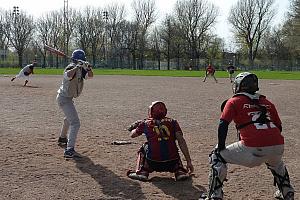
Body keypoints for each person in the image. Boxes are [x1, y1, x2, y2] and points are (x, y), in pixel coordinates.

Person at [204, 72, 294, 200]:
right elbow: (278, 127)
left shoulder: (234, 101)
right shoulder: (266, 101)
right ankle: (287, 192)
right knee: (277, 163)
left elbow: (223, 125)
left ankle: (215, 195)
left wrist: (221, 146)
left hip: (253, 148)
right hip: (278, 145)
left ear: (239, 86)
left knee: (216, 156)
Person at [127, 101, 194, 181]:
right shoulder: (173, 122)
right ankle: (179, 171)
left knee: (144, 147)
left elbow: (132, 135)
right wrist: (189, 161)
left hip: (153, 162)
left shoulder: (145, 123)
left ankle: (142, 172)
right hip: (172, 162)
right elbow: (181, 141)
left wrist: (136, 126)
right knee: (173, 147)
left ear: (151, 111)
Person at [56, 49, 93, 158]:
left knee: (68, 118)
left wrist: (88, 68)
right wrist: (77, 66)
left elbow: (90, 76)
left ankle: (62, 138)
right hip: (63, 98)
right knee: (75, 122)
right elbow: (67, 75)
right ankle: (69, 150)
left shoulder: (81, 69)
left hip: (68, 98)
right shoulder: (70, 67)